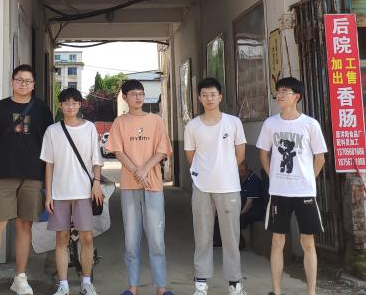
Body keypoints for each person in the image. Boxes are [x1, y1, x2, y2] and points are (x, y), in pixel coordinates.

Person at [0, 64, 55, 295]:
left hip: (33, 175)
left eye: (28, 81)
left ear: (34, 84)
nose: (23, 84)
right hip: (3, 174)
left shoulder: (42, 110)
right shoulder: (0, 107)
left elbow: (51, 145)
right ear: (12, 81)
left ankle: (20, 278)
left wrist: (50, 179)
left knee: (24, 226)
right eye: (19, 79)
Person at [256, 77, 328, 295]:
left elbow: (320, 157)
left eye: (284, 91)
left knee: (308, 241)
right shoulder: (270, 124)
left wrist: (309, 179)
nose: (279, 95)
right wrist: (273, 176)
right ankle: (277, 291)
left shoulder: (310, 124)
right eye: (278, 91)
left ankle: (311, 291)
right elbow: (263, 153)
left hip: (304, 192)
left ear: (297, 96)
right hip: (279, 192)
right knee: (277, 241)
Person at [105, 79, 174, 295]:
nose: (138, 97)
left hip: (153, 186)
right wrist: (136, 170)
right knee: (131, 239)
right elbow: (117, 151)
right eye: (134, 94)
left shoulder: (156, 121)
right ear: (124, 97)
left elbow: (163, 150)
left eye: (141, 93)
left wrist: (145, 169)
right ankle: (132, 287)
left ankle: (160, 287)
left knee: (156, 239)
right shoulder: (120, 122)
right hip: (129, 186)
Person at [184, 77, 247, 295]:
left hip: (228, 187)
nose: (209, 98)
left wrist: (224, 170)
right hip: (202, 187)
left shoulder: (233, 122)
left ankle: (235, 283)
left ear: (220, 97)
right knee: (202, 236)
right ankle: (201, 284)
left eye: (213, 94)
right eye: (205, 95)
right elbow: (190, 157)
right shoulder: (192, 126)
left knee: (231, 237)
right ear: (199, 98)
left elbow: (240, 154)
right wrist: (204, 173)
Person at [40, 88, 105, 295]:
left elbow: (96, 159)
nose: (70, 106)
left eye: (74, 102)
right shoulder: (52, 131)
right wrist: (48, 194)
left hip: (85, 192)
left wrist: (96, 183)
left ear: (80, 105)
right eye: (66, 103)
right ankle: (63, 285)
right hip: (60, 193)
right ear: (60, 106)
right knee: (61, 238)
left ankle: (86, 282)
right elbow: (49, 164)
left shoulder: (90, 128)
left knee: (87, 238)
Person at [237, 160, 266, 248]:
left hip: (255, 212)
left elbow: (249, 204)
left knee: (237, 220)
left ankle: (240, 243)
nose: (240, 172)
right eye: (238, 170)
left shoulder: (253, 179)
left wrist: (239, 214)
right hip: (246, 210)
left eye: (242, 170)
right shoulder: (241, 179)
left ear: (247, 169)